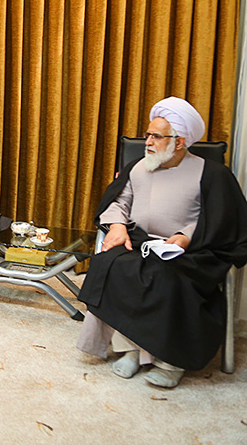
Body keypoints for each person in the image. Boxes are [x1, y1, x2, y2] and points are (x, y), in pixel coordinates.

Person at [77, 97, 247, 387]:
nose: (147, 142)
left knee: (166, 276)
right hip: (139, 242)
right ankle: (131, 349)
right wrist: (117, 225)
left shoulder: (212, 173)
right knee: (112, 264)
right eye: (148, 134)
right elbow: (119, 202)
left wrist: (186, 236)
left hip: (191, 250)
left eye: (156, 136)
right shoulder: (137, 167)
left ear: (179, 142)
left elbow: (221, 218)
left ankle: (169, 362)